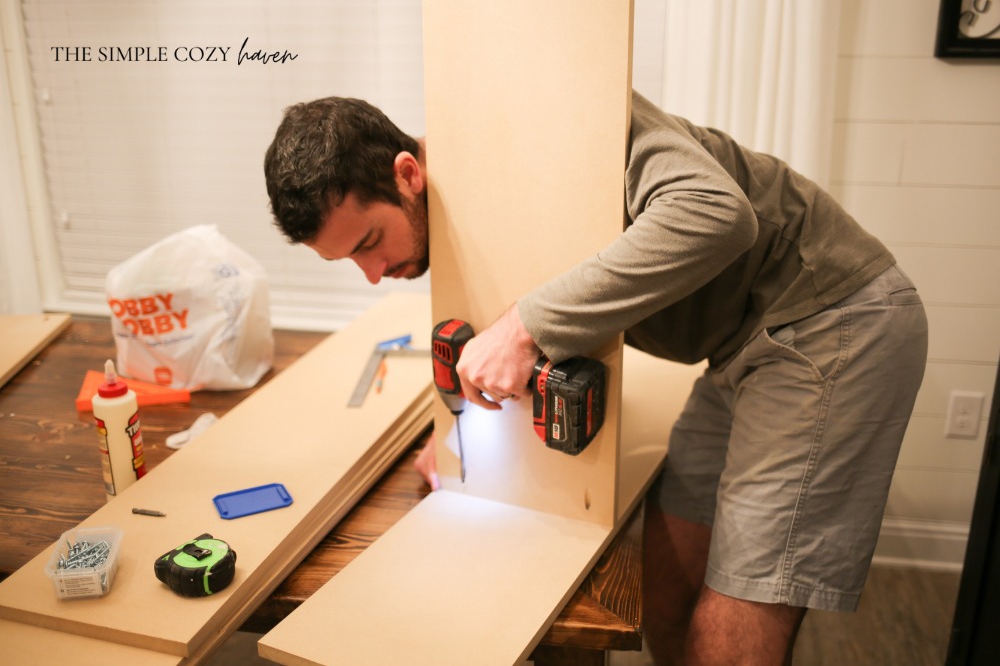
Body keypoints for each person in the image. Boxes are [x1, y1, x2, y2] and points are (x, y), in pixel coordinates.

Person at [264, 92, 928, 665]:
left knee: (738, 616)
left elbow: (718, 214)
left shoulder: (562, 110)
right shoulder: (464, 207)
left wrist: (525, 326)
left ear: (406, 173)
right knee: (664, 587)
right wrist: (460, 431)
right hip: (737, 348)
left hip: (830, 319)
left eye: (367, 244)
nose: (373, 273)